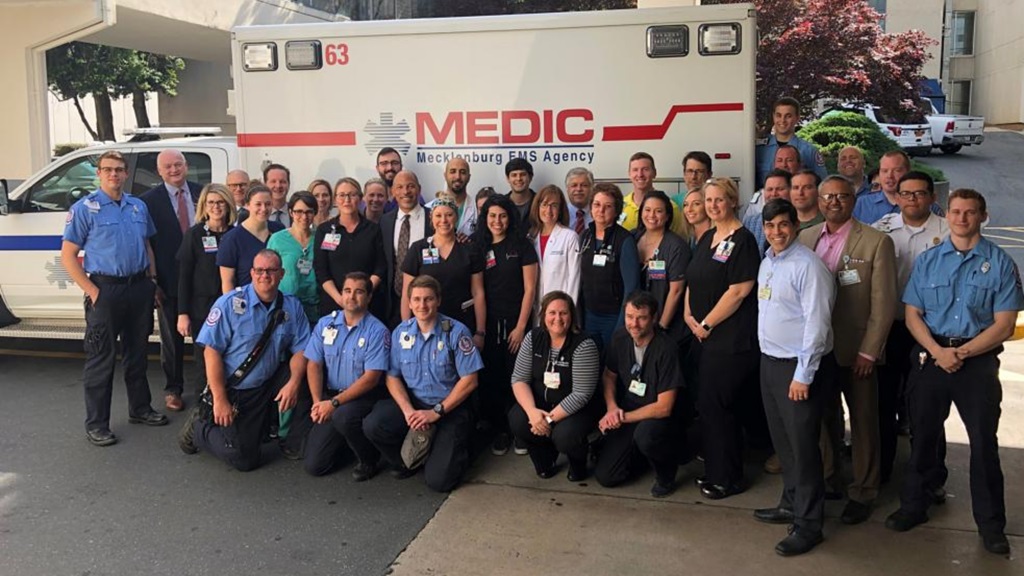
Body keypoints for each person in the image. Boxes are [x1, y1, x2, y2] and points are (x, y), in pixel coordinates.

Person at [884, 189, 1022, 556]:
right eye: (957, 212)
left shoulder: (1001, 263)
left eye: (970, 212)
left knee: (983, 444)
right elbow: (912, 314)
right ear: (950, 215)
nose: (962, 219)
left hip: (975, 362)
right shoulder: (929, 261)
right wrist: (937, 351)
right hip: (932, 357)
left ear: (983, 216)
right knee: (922, 437)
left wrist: (960, 352)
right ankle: (914, 506)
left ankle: (991, 525)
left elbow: (1005, 324)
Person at [798, 175, 897, 525]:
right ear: (819, 200)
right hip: (818, 351)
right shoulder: (805, 238)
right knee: (823, 420)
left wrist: (870, 352)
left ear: (854, 200)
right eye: (827, 196)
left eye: (841, 196)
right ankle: (829, 479)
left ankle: (864, 491)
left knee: (864, 422)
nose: (834, 202)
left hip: (857, 352)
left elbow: (883, 304)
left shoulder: (875, 242)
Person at [61, 150, 168, 446]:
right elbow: (68, 256)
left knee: (137, 353)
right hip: (105, 290)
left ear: (125, 173)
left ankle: (140, 408)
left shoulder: (137, 207)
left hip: (138, 287)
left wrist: (153, 281)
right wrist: (93, 292)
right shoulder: (85, 209)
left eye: (119, 169)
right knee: (101, 359)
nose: (114, 174)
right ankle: (97, 423)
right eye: (108, 169)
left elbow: (147, 245)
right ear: (99, 173)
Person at [753, 199, 837, 557]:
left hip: (798, 369)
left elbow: (817, 325)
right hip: (770, 363)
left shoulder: (809, 266)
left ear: (796, 226)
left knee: (804, 448)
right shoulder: (768, 262)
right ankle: (790, 502)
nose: (776, 232)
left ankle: (808, 524)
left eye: (783, 225)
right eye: (770, 226)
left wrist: (803, 375)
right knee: (783, 442)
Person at [179, 249, 311, 470]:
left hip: (267, 384)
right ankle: (199, 428)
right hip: (236, 390)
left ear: (282, 274)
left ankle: (290, 440)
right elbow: (211, 352)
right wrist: (220, 399)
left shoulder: (291, 305)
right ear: (251, 273)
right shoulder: (229, 304)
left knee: (309, 373)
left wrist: (294, 382)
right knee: (243, 459)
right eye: (259, 270)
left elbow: (301, 349)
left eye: (271, 270)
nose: (264, 275)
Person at [363, 275, 485, 492]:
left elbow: (470, 380)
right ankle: (408, 460)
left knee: (439, 482)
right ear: (409, 303)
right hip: (415, 404)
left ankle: (459, 447)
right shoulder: (401, 333)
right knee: (373, 424)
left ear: (438, 300)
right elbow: (392, 376)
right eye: (417, 299)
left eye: (428, 299)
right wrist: (408, 411)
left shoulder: (456, 332)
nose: (422, 305)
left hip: (450, 407)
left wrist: (436, 412)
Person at [872, 171, 950, 488]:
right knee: (884, 404)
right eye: (906, 193)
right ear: (898, 197)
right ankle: (883, 472)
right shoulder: (882, 229)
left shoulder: (947, 232)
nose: (912, 199)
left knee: (928, 409)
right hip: (891, 328)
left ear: (932, 197)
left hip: (931, 332)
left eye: (919, 193)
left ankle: (931, 479)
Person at [684, 177, 760, 500]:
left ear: (732, 201)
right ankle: (714, 469)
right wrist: (688, 316)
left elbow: (740, 290)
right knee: (708, 407)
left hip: (729, 340)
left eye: (719, 200)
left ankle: (729, 478)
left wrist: (706, 323)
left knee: (721, 407)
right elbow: (693, 279)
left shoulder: (744, 241)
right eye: (708, 200)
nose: (713, 206)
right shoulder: (708, 238)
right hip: (702, 337)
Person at [301, 273, 390, 480]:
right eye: (347, 291)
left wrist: (333, 404)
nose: (351, 296)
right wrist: (317, 402)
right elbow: (314, 363)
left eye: (359, 292)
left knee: (343, 416)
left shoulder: (377, 331)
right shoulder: (326, 324)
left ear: (368, 297)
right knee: (315, 465)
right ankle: (347, 445)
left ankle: (368, 460)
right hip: (331, 397)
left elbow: (371, 378)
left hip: (364, 398)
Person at [595, 291, 685, 497]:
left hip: (659, 417)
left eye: (642, 318)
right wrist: (612, 408)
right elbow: (609, 375)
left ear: (654, 319)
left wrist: (621, 418)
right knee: (607, 477)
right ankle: (643, 458)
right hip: (629, 408)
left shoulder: (666, 349)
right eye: (629, 317)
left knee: (646, 436)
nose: (634, 324)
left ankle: (666, 474)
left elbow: (664, 407)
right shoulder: (620, 337)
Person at [509, 291, 600, 480]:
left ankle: (578, 464)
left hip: (575, 410)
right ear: (543, 315)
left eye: (563, 313)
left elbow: (581, 394)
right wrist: (532, 412)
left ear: (572, 316)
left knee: (565, 435)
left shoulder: (584, 345)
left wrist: (547, 420)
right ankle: (545, 459)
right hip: (540, 406)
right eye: (552, 313)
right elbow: (519, 379)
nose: (557, 318)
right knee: (518, 418)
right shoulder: (533, 338)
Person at [474, 195, 538, 455]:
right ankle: (501, 430)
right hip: (489, 323)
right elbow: (477, 290)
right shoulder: (478, 247)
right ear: (485, 218)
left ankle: (520, 431)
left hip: (516, 323)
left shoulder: (522, 246)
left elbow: (530, 288)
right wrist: (481, 329)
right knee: (493, 378)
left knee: (518, 376)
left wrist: (521, 327)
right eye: (491, 216)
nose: (497, 221)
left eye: (502, 215)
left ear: (510, 217)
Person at [140, 149, 203, 412]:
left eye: (178, 164)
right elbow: (146, 243)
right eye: (168, 167)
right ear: (159, 171)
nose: (174, 170)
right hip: (168, 278)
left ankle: (206, 386)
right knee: (171, 339)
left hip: (202, 278)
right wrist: (152, 279)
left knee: (204, 336)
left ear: (186, 166)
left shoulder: (203, 193)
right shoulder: (148, 201)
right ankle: (173, 389)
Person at [176, 183, 237, 404]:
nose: (216, 207)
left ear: (228, 204)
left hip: (231, 308)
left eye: (220, 202)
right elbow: (184, 277)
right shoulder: (194, 235)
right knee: (204, 362)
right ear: (204, 205)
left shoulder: (235, 234)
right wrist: (183, 313)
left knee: (230, 358)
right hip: (202, 309)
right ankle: (202, 413)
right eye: (211, 202)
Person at [401, 192, 486, 343]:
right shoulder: (418, 249)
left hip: (462, 322)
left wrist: (480, 332)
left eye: (449, 215)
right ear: (431, 219)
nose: (444, 220)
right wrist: (406, 328)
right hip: (425, 323)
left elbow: (478, 292)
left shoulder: (470, 249)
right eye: (438, 216)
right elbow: (407, 293)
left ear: (456, 217)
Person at [313, 177, 387, 320]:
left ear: (360, 199)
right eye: (342, 195)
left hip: (368, 305)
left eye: (352, 195)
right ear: (335, 200)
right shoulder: (324, 230)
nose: (347, 200)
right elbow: (321, 270)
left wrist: (362, 294)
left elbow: (380, 267)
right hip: (334, 304)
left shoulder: (373, 230)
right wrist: (341, 298)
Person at [579, 182, 640, 351]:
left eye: (608, 206)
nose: (601, 210)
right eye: (597, 205)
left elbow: (631, 287)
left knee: (609, 365)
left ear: (616, 210)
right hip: (589, 315)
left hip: (613, 317)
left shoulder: (624, 240)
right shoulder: (585, 236)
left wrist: (622, 323)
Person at [634, 191, 692, 347]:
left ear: (667, 216)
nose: (652, 215)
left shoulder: (676, 247)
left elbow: (677, 291)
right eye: (647, 210)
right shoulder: (632, 238)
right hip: (636, 324)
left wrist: (661, 327)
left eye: (658, 211)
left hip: (666, 328)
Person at [380, 171, 433, 327]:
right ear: (393, 192)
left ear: (419, 189)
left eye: (411, 186)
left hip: (425, 302)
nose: (405, 192)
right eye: (400, 187)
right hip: (392, 302)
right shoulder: (385, 221)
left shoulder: (433, 219)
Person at [218, 184, 284, 292]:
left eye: (268, 204)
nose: (263, 209)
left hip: (277, 299)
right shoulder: (232, 239)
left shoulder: (279, 230)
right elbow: (227, 282)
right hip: (246, 302)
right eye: (258, 204)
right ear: (248, 205)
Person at [268, 191, 320, 324]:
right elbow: (268, 271)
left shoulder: (320, 238)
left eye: (309, 212)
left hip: (315, 307)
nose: (304, 216)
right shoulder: (278, 239)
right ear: (291, 212)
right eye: (299, 211)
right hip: (286, 306)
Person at [754, 96, 827, 189]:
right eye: (778, 115)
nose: (782, 120)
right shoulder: (760, 149)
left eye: (788, 116)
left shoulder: (809, 151)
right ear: (773, 117)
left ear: (797, 118)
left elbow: (822, 185)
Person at [854, 150, 943, 225]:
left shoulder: (928, 205)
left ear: (908, 172)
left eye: (897, 171)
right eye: (884, 171)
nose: (889, 176)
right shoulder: (862, 204)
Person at [531, 184, 581, 306]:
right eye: (544, 204)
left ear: (560, 210)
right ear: (537, 207)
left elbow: (575, 278)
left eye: (554, 205)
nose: (548, 210)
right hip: (537, 307)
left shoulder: (570, 237)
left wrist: (569, 309)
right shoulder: (531, 238)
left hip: (561, 307)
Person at [619, 152, 683, 235]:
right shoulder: (619, 205)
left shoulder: (671, 207)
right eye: (635, 170)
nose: (640, 174)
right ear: (629, 174)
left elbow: (678, 242)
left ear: (654, 173)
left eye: (645, 169)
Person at [742, 169, 792, 253]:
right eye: (769, 189)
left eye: (780, 189)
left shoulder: (796, 221)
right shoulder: (750, 222)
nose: (774, 194)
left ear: (791, 191)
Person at [426, 158, 477, 239]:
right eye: (452, 171)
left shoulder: (477, 208)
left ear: (469, 177)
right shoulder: (428, 208)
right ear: (445, 175)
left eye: (463, 172)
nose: (457, 177)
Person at [504, 157, 536, 224]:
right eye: (514, 175)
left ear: (530, 177)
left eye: (523, 174)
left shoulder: (540, 202)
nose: (518, 178)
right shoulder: (501, 204)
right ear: (507, 179)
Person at [565, 167, 594, 236]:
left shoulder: (599, 214)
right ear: (567, 189)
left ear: (591, 188)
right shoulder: (559, 215)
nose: (578, 189)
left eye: (584, 185)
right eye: (574, 185)